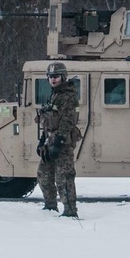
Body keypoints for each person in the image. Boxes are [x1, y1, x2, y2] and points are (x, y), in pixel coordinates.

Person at [37, 60, 80, 217]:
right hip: (50, 141)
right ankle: (50, 205)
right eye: (50, 76)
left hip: (62, 142)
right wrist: (43, 140)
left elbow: (67, 121)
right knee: (43, 174)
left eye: (56, 76)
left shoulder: (68, 96)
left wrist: (59, 142)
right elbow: (49, 120)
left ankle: (70, 210)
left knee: (64, 177)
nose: (53, 79)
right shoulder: (54, 95)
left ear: (63, 77)